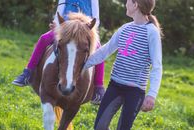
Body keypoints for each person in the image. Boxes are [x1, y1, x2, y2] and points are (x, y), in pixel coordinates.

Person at [84, 0, 163, 129]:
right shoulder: (125, 28)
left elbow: (157, 66)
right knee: (99, 126)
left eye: (127, 1)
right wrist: (84, 65)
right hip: (115, 86)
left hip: (135, 91)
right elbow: (105, 50)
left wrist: (151, 94)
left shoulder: (152, 32)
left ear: (135, 5)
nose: (125, 4)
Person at [12, 0, 105, 105]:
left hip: (84, 30)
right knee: (44, 38)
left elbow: (96, 19)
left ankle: (98, 87)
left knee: (99, 50)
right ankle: (28, 72)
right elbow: (59, 10)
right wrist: (57, 23)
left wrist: (88, 28)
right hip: (65, 28)